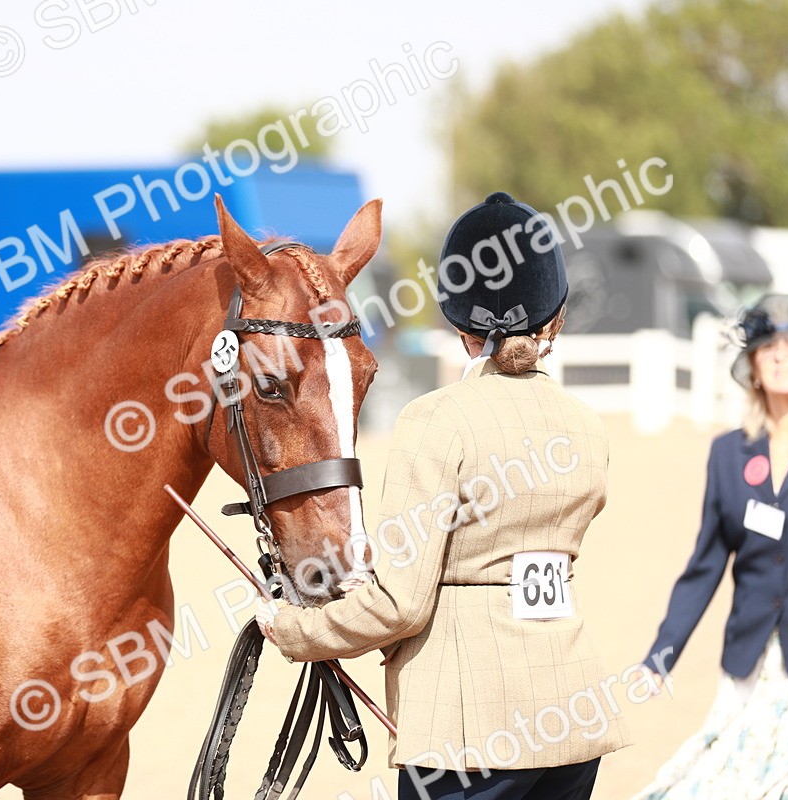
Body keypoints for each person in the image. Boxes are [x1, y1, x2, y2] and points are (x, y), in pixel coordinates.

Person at [256, 192, 631, 800]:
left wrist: (295, 630)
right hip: (572, 715)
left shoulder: (435, 420)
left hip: (469, 728)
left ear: (459, 324)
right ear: (554, 320)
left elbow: (400, 605)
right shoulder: (586, 426)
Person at [635, 293, 788, 799]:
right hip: (748, 663)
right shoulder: (728, 454)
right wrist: (661, 655)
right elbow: (704, 566)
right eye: (767, 347)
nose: (780, 356)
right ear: (753, 367)